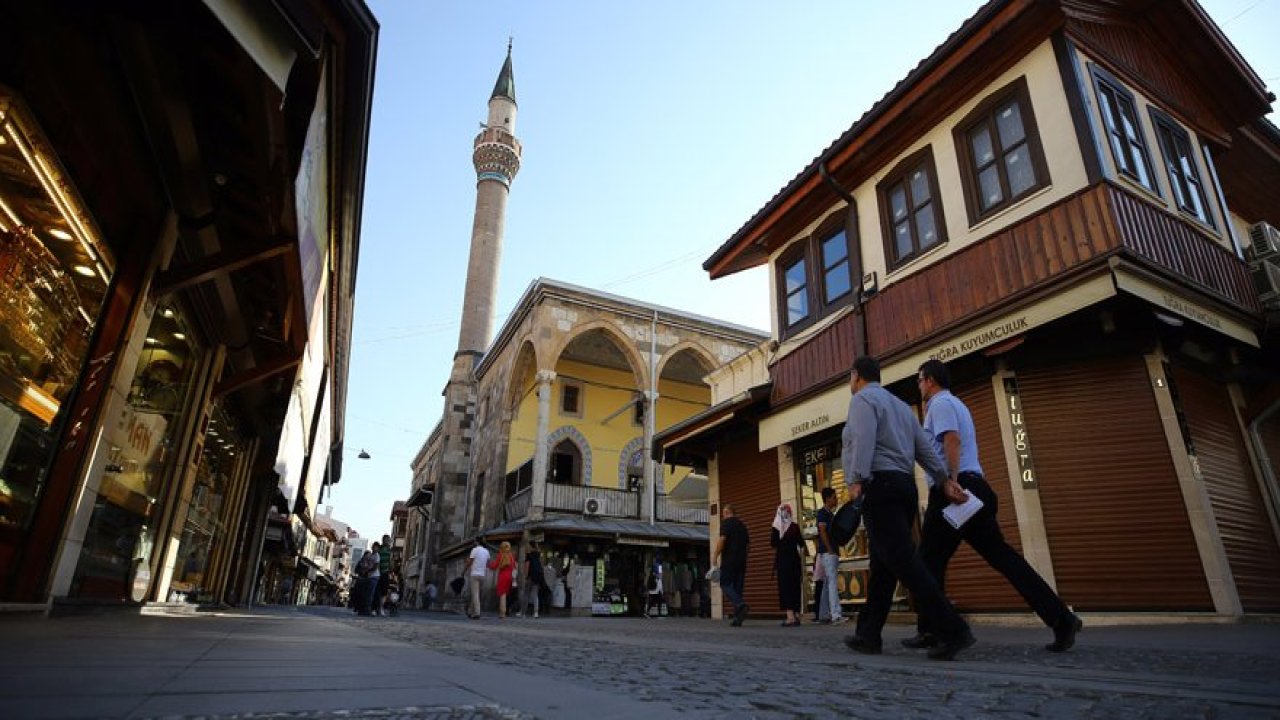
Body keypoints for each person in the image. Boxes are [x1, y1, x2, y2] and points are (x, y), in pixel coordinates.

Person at [909, 359, 1083, 652]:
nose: (918, 386)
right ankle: (1061, 618)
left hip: (956, 489)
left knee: (927, 561)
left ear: (929, 380)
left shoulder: (940, 404)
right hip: (974, 489)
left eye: (919, 380)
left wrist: (951, 482)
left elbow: (952, 440)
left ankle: (942, 631)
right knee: (1001, 557)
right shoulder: (956, 404)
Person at [841, 355, 975, 661]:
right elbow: (924, 447)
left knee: (904, 562)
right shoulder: (901, 406)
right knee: (883, 566)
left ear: (855, 376)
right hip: (904, 489)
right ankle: (868, 635)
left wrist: (857, 479)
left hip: (880, 485)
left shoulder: (863, 400)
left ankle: (953, 629)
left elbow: (863, 438)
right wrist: (943, 479)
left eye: (850, 379)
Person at [711, 503, 750, 626]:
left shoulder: (727, 524)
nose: (722, 516)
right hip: (741, 562)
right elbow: (749, 546)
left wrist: (715, 555)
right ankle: (737, 619)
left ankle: (740, 604)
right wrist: (743, 556)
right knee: (738, 590)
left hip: (729, 561)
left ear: (727, 513)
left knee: (725, 584)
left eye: (723, 513)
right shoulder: (742, 526)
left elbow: (722, 540)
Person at [814, 487, 847, 625]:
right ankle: (836, 615)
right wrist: (830, 549)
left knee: (828, 584)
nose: (836, 499)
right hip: (828, 553)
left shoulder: (830, 515)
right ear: (827, 498)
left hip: (829, 552)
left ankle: (824, 614)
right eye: (834, 497)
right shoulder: (822, 514)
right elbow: (822, 532)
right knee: (832, 583)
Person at [770, 503, 804, 626]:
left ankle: (790, 618)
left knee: (786, 588)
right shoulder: (794, 526)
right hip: (794, 560)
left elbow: (773, 543)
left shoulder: (776, 527)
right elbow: (801, 543)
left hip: (783, 561)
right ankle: (796, 615)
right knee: (795, 587)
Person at [516, 541, 546, 618]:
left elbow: (527, 566)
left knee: (526, 594)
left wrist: (525, 576)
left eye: (527, 545)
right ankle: (536, 613)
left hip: (531, 576)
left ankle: (523, 613)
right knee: (535, 594)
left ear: (530, 546)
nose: (526, 547)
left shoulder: (529, 555)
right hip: (538, 576)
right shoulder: (538, 554)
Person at [488, 540, 516, 618]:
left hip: (502, 576)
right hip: (510, 576)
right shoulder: (511, 556)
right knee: (505, 594)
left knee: (502, 595)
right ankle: (504, 611)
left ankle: (502, 612)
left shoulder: (501, 555)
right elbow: (514, 567)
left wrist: (488, 564)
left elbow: (494, 566)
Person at [464, 538, 490, 619]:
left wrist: (464, 570)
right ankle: (470, 611)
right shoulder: (486, 551)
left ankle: (477, 612)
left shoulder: (474, 550)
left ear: (477, 542)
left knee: (475, 594)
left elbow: (470, 562)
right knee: (475, 593)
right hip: (482, 574)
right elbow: (488, 562)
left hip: (474, 574)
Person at [374, 534, 393, 615]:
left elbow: (390, 561)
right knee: (377, 591)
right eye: (387, 540)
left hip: (386, 573)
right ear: (383, 540)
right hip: (378, 573)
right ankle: (375, 608)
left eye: (389, 540)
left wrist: (391, 571)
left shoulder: (390, 550)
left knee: (384, 592)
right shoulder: (379, 549)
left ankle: (381, 608)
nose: (388, 541)